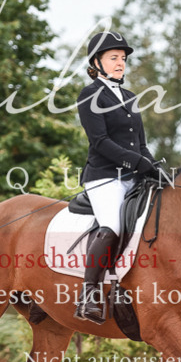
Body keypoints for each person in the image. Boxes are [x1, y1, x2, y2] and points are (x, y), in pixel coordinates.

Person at [74, 31, 157, 324]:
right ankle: (89, 294)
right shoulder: (90, 94)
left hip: (133, 176)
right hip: (104, 177)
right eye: (113, 58)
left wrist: (151, 165)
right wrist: (136, 161)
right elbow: (100, 141)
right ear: (97, 62)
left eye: (122, 58)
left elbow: (141, 142)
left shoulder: (131, 97)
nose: (120, 63)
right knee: (112, 225)